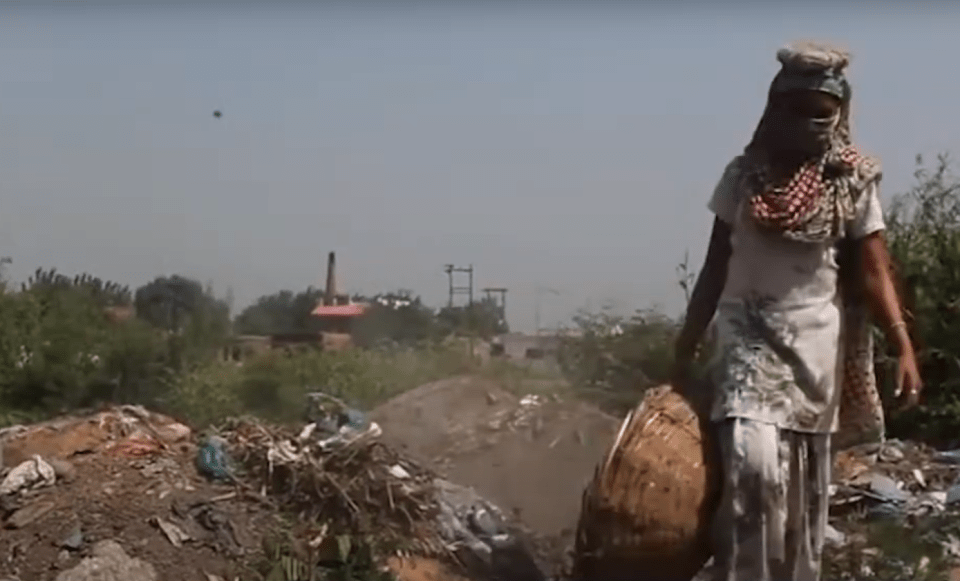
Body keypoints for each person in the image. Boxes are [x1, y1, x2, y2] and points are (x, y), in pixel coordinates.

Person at [673, 42, 923, 581]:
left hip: (814, 344)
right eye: (799, 111)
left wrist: (902, 345)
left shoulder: (851, 182)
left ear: (839, 115)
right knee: (753, 463)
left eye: (823, 113)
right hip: (746, 336)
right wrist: (687, 341)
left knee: (799, 487)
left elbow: (876, 269)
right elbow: (715, 267)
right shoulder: (742, 179)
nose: (811, 124)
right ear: (776, 112)